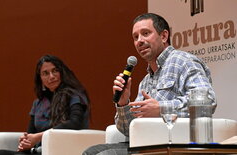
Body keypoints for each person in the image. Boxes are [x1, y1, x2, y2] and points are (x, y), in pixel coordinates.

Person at [83, 13, 216, 155]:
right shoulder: (145, 81)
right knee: (91, 151)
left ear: (164, 36)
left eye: (145, 33)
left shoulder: (183, 61)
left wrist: (161, 109)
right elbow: (129, 131)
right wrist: (123, 104)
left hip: (175, 144)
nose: (139, 41)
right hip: (147, 142)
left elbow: (207, 101)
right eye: (135, 37)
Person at [0, 54, 90, 155]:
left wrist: (39, 136)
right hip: (37, 151)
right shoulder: (38, 103)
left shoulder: (75, 95)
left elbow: (75, 123)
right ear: (41, 79)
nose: (52, 76)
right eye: (46, 73)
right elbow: (31, 133)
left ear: (62, 72)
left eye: (55, 70)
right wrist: (26, 142)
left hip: (61, 150)